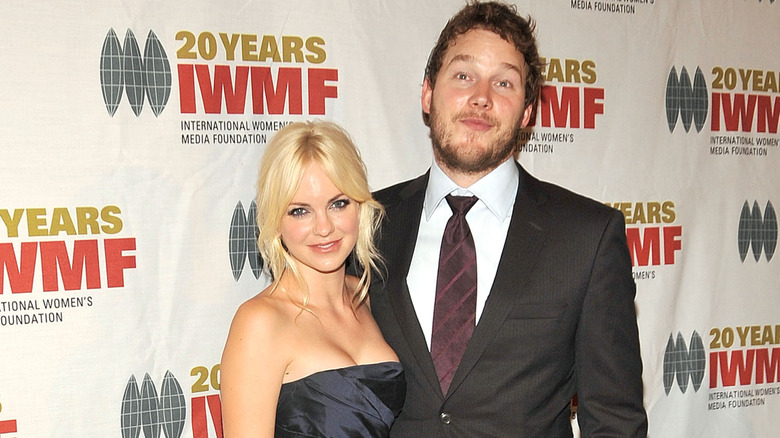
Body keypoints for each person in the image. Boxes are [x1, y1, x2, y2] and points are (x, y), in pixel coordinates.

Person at [369, 1, 647, 437]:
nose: (482, 96)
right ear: (427, 93)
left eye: (504, 82)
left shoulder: (588, 238)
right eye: (464, 75)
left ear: (527, 113)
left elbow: (614, 421)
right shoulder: (367, 224)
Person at [220, 121, 406, 438]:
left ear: (360, 206)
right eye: (300, 211)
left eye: (338, 204)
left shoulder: (368, 297)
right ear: (276, 221)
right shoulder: (260, 322)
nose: (324, 228)